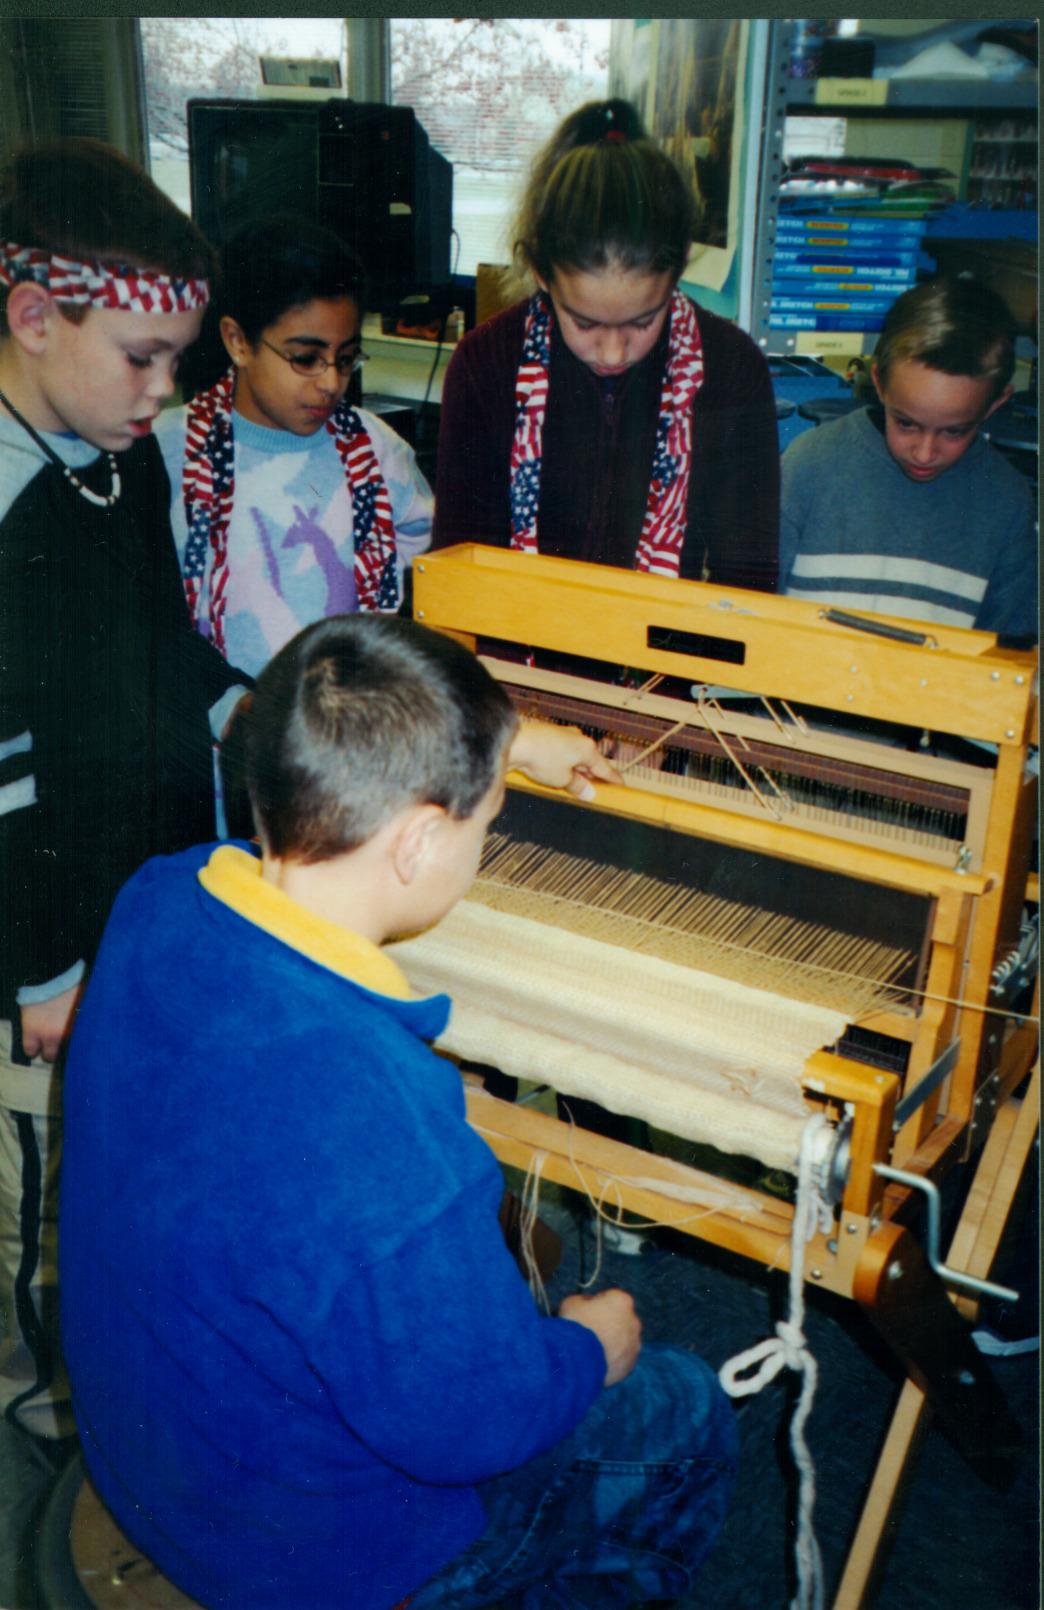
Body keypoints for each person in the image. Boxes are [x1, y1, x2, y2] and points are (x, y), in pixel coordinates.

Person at [59, 615, 737, 1610]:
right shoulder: (383, 1126)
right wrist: (589, 1347)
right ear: (421, 838)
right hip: (316, 1558)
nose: (488, 838)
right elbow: (470, 1424)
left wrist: (506, 741)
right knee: (686, 1405)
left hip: (155, 1460)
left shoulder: (156, 900)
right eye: (487, 821)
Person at [0, 139, 250, 1442]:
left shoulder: (116, 447)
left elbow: (157, 637)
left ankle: (113, 1348)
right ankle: (44, 1391)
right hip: (23, 918)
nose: (165, 392)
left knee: (122, 1155)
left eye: (178, 362)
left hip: (135, 867)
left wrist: (249, 713)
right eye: (142, 359)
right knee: (35, 1172)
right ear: (35, 316)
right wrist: (38, 970)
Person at [432, 98, 778, 594]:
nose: (613, 353)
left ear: (680, 264)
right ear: (541, 271)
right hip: (513, 662)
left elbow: (745, 579)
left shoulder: (732, 369)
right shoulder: (486, 363)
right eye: (585, 322)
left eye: (643, 321)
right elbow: (461, 568)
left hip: (670, 665)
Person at [155, 216, 433, 681]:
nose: (330, 382)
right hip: (211, 737)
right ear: (238, 341)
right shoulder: (166, 453)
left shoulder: (378, 452)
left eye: (345, 359)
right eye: (305, 358)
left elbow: (425, 565)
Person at [780, 277, 1037, 640]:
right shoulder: (808, 465)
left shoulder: (1007, 503)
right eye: (906, 423)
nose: (925, 451)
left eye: (954, 431)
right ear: (879, 383)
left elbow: (1010, 658)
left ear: (996, 404)